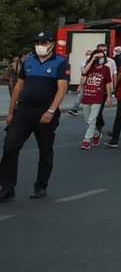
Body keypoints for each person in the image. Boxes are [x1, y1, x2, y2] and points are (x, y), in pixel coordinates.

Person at [1, 32, 70, 202]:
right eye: (37, 42)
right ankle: (7, 187)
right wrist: (11, 112)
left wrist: (51, 111)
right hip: (24, 111)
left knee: (45, 150)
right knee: (10, 146)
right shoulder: (29, 61)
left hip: (45, 112)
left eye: (44, 42)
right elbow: (19, 85)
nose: (40, 45)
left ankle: (41, 185)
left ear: (51, 44)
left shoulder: (60, 62)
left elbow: (62, 88)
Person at [78, 48, 113, 150]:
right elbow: (84, 72)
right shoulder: (89, 67)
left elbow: (108, 83)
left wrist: (109, 97)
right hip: (87, 96)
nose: (101, 58)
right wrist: (92, 59)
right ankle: (96, 134)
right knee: (87, 119)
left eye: (103, 56)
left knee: (92, 120)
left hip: (98, 97)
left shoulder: (106, 69)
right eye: (99, 57)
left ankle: (86, 140)